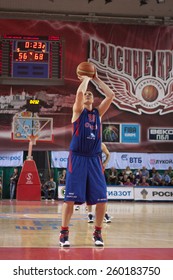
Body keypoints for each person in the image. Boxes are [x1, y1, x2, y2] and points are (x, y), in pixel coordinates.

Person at [59, 70, 114, 247]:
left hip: (94, 159)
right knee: (69, 199)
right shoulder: (77, 112)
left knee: (101, 199)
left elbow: (111, 95)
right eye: (86, 94)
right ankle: (64, 233)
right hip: (78, 158)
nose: (88, 95)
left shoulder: (97, 115)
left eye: (91, 94)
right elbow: (80, 93)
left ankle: (97, 233)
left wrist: (96, 78)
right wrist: (86, 79)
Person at [87, 142, 111, 223]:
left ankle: (105, 213)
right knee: (88, 192)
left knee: (102, 192)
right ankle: (90, 214)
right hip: (88, 170)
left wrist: (105, 163)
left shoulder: (101, 144)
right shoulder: (85, 143)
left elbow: (108, 154)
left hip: (98, 170)